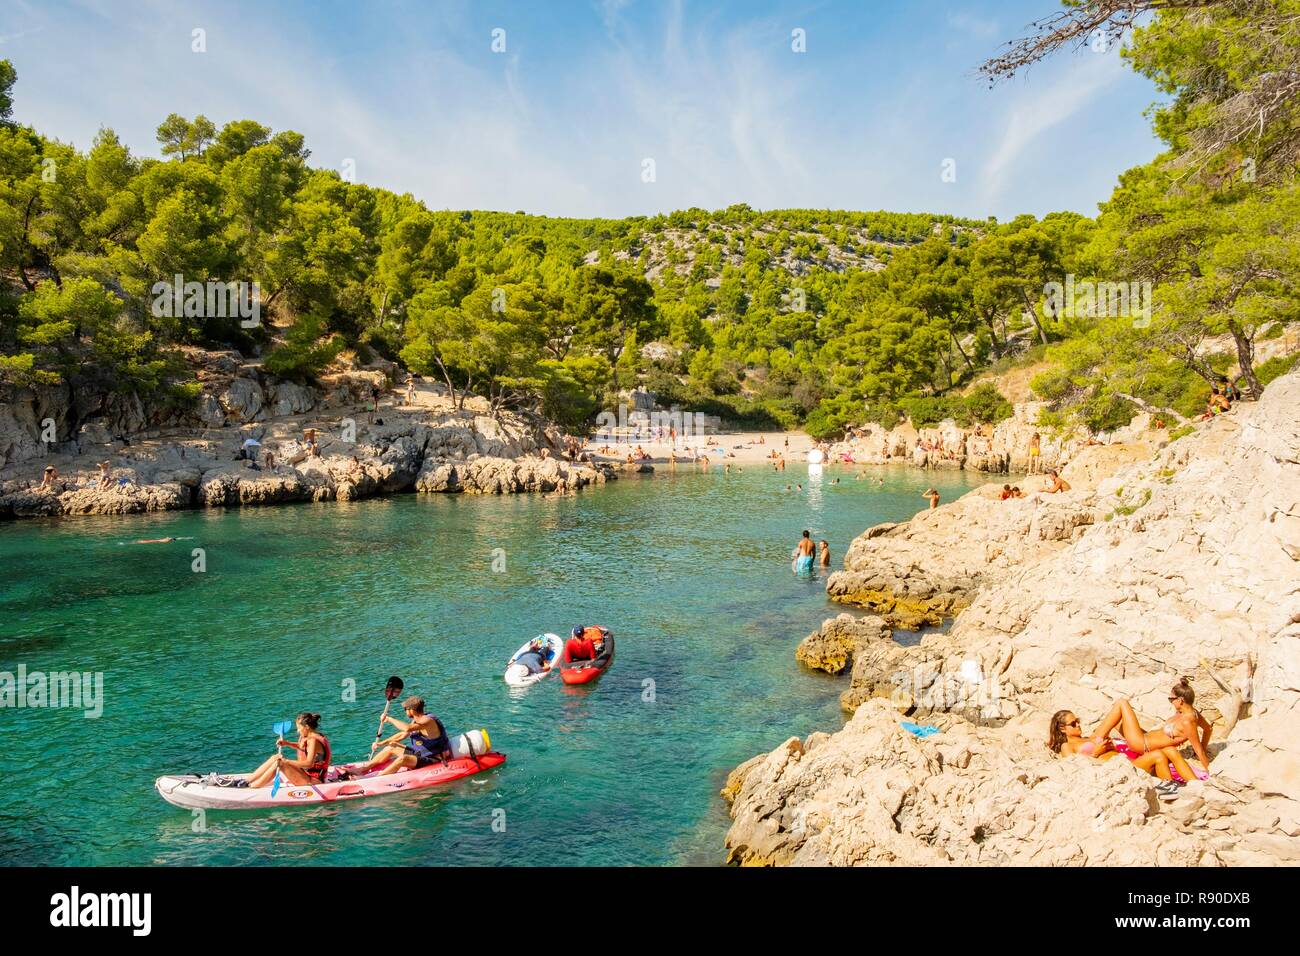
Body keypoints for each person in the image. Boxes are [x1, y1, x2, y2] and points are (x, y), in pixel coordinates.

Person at [1086, 680, 1213, 772]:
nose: (1170, 701)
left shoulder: (1187, 722)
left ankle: (1094, 740)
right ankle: (1096, 738)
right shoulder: (1191, 712)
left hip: (1142, 744)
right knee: (1116, 721)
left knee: (1122, 703)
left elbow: (1199, 750)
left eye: (1171, 699)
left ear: (1180, 700)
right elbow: (1208, 729)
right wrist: (1204, 745)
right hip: (1144, 737)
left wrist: (1210, 771)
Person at [1046, 710, 1179, 781]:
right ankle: (1169, 789)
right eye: (1073, 724)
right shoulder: (1067, 746)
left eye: (1078, 721)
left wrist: (1111, 747)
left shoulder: (1088, 738)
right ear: (1063, 729)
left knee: (1166, 752)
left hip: (1128, 763)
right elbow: (1073, 769)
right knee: (1158, 756)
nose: (1078, 725)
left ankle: (1175, 786)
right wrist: (1095, 753)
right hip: (1118, 770)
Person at [351, 697, 450, 777]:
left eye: (405, 709)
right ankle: (362, 770)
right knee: (390, 747)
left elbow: (407, 728)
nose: (405, 711)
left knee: (403, 759)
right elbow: (402, 734)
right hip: (420, 754)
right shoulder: (417, 721)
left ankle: (376, 777)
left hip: (433, 758)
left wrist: (388, 719)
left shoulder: (427, 720)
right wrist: (380, 743)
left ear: (411, 710)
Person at [242, 712, 331, 789]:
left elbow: (308, 764)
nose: (297, 731)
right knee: (275, 758)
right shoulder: (309, 736)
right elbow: (302, 747)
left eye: (299, 728)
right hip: (305, 773)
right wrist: (286, 743)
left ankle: (253, 787)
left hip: (312, 781)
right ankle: (246, 781)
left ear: (307, 727)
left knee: (280, 763)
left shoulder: (313, 740)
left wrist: (287, 761)